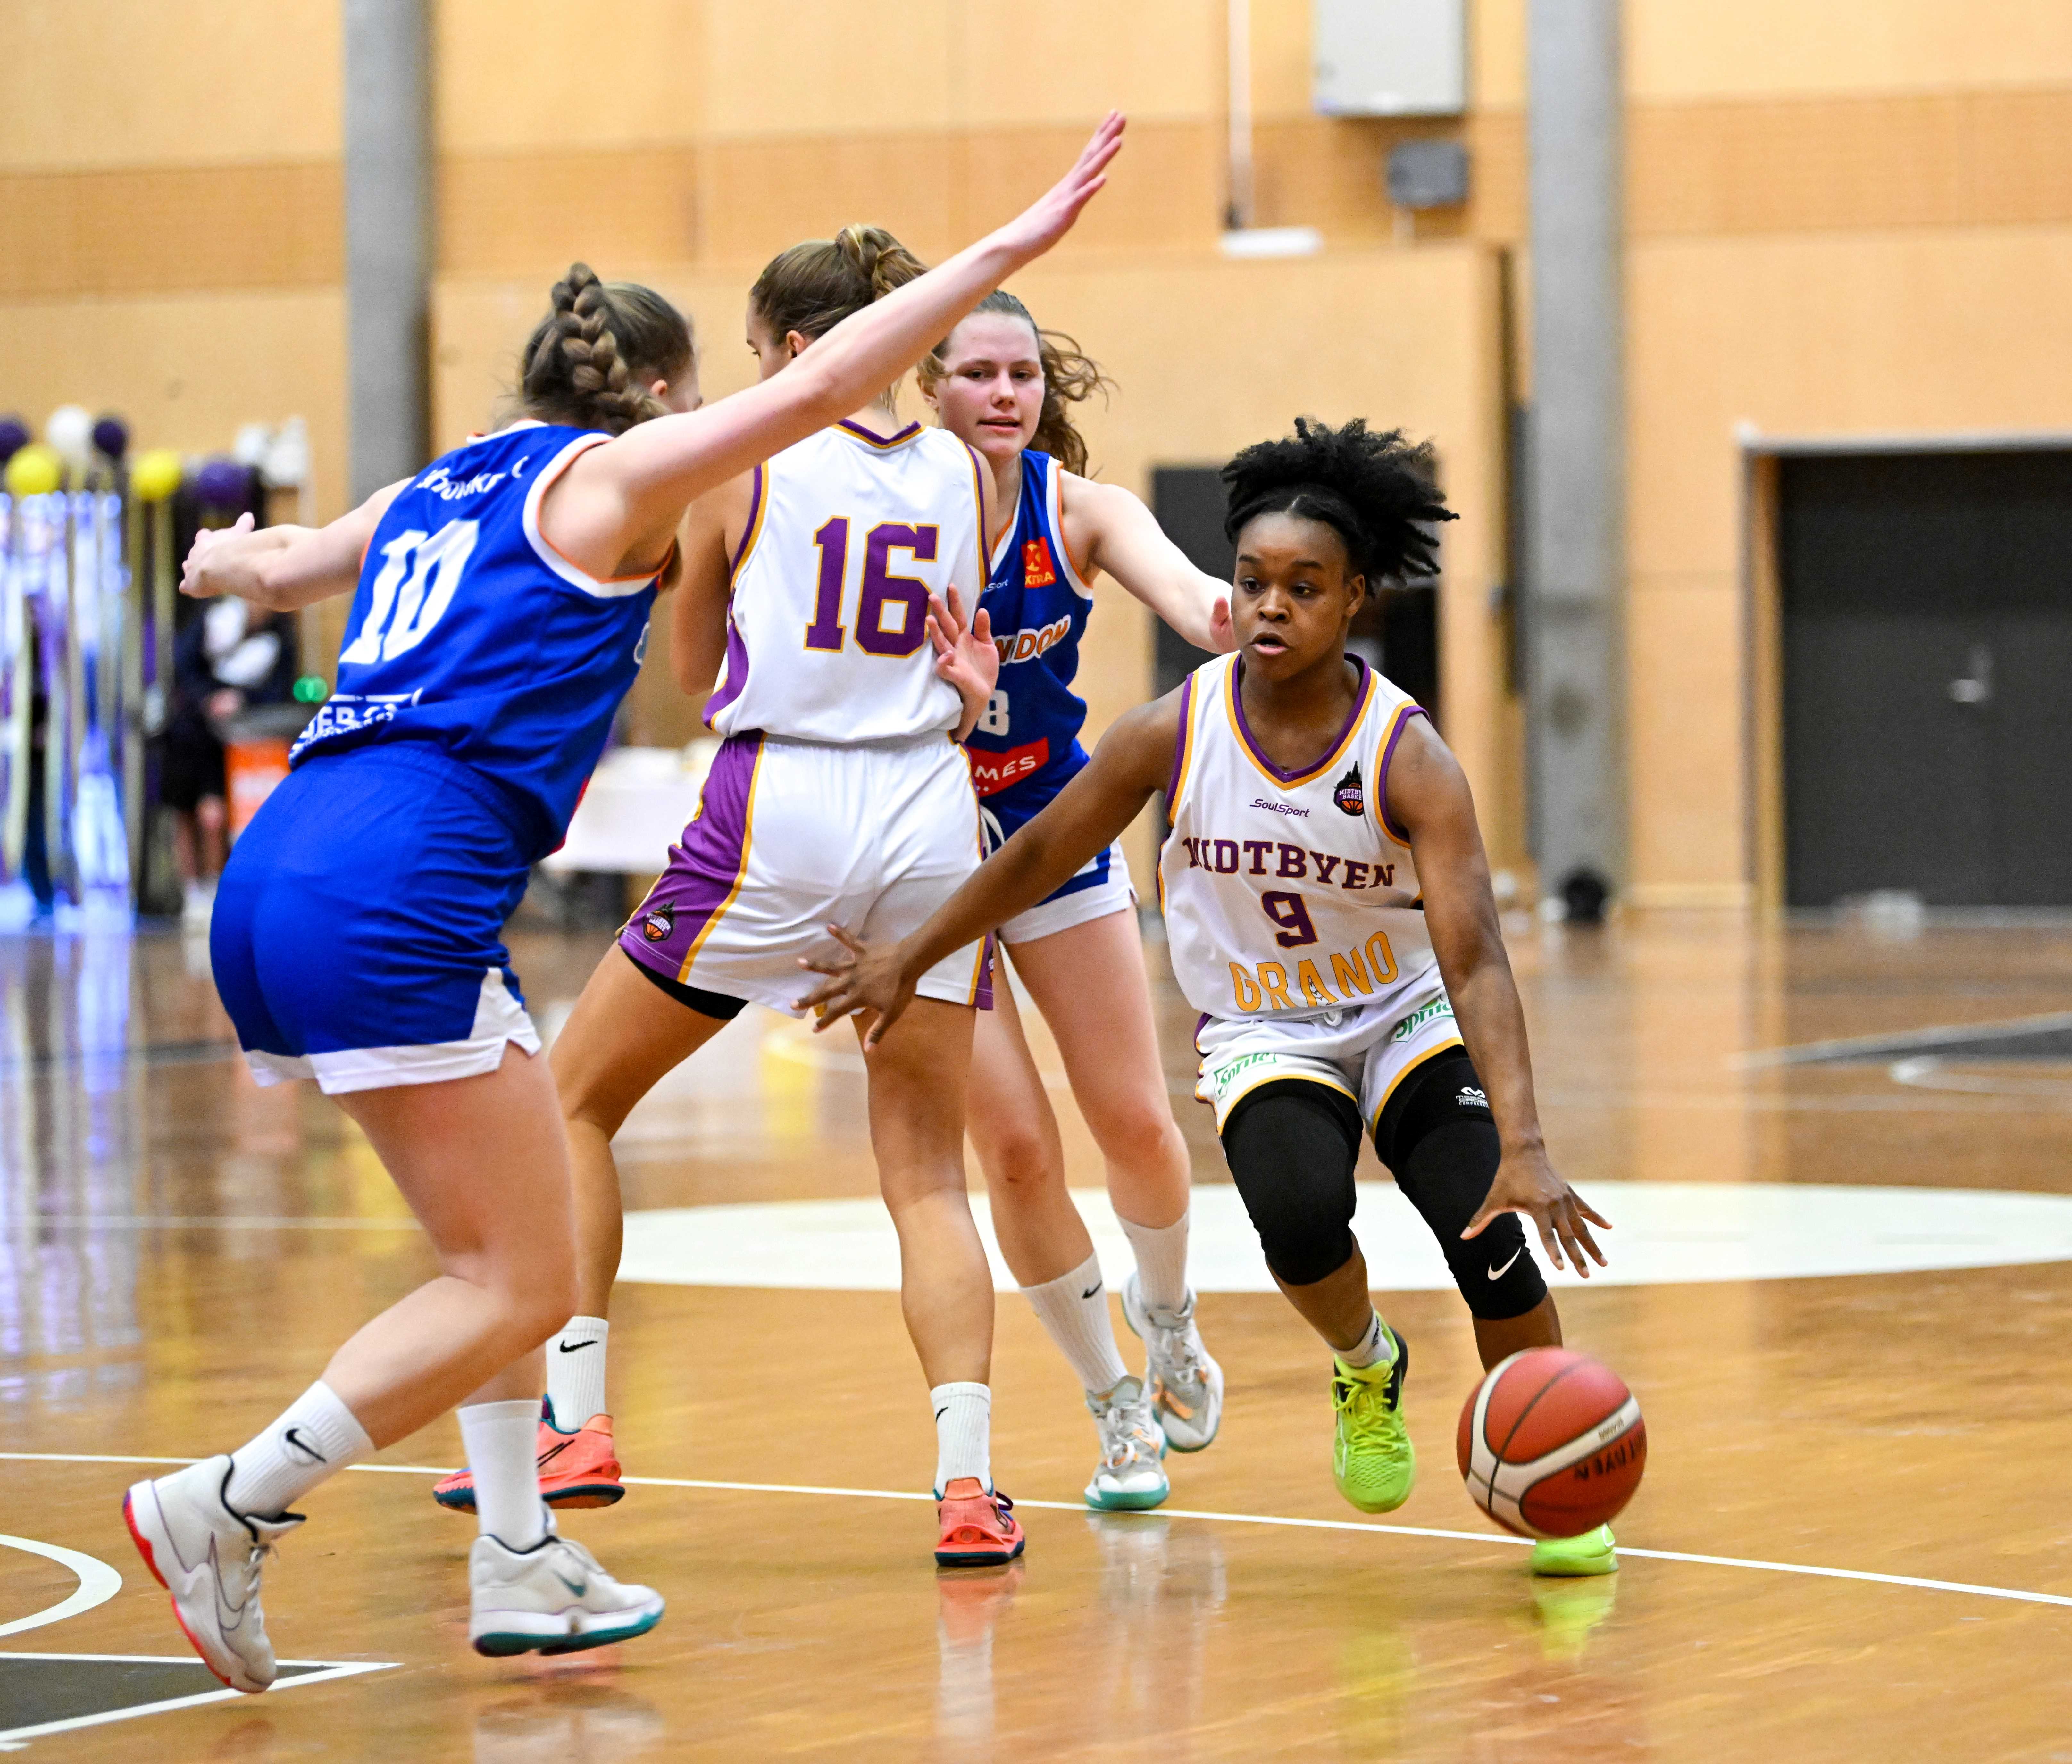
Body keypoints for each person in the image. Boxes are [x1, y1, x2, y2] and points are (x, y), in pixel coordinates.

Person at [120, 111, 1127, 1695]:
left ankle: (519, 1547)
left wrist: (228, 565)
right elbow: (803, 395)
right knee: (513, 1270)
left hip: (284, 865)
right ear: (669, 394)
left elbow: (286, 562)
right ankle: (225, 1502)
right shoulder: (629, 478)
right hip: (431, 879)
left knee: (499, 1213)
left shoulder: (437, 484)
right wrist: (1005, 250)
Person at [797, 415, 1623, 1578]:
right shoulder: (1176, 730)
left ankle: (1559, 1473)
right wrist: (908, 952)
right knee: (1292, 1211)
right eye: (1250, 582)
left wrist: (1524, 1142)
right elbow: (1036, 854)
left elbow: (1477, 956)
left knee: (1484, 1230)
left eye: (1302, 586)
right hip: (1262, 1025)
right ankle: (1364, 1361)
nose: (1269, 606)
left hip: (1399, 1016)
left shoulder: (1406, 756)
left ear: (1355, 602)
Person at [447, 225, 1030, 1571]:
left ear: (790, 351)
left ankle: (579, 1422)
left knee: (576, 1099)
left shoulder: (745, 460)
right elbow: (957, 641)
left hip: (783, 802)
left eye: (761, 353)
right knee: (925, 1174)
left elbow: (701, 663)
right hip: (933, 813)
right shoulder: (968, 471)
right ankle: (964, 1484)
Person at [911, 293, 1238, 1511]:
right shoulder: (895, 519)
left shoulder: (1083, 510)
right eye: (977, 373)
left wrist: (1271, 605)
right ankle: (1113, 1406)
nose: (1004, 394)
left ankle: (1169, 1324)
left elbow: (1201, 602)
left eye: (1022, 373)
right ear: (928, 388)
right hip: (931, 858)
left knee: (1138, 1124)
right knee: (1011, 1147)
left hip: (1055, 833)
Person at [161, 595, 298, 924]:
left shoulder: (280, 638)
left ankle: (215, 887)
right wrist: (209, 698)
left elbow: (280, 687)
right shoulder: (214, 618)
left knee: (216, 814)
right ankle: (191, 891)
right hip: (189, 731)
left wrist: (240, 699)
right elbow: (183, 666)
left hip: (239, 737)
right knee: (185, 812)